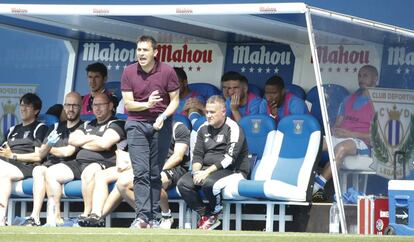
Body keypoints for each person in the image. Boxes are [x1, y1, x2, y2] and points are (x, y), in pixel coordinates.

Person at [121, 35, 180, 228]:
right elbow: (128, 104)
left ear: (155, 52)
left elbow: (175, 101)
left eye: (145, 50)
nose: (141, 54)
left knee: (155, 173)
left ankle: (154, 217)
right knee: (141, 172)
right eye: (138, 50)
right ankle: (142, 217)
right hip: (136, 124)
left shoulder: (167, 71)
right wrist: (147, 104)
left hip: (160, 125)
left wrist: (162, 117)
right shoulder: (129, 71)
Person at [45, 93, 125, 225]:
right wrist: (96, 140)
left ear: (110, 106)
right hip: (78, 162)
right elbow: (72, 139)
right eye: (95, 105)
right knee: (51, 172)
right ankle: (55, 217)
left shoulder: (117, 123)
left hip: (102, 163)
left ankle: (86, 214)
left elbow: (105, 144)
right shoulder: (88, 124)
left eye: (101, 105)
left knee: (89, 171)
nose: (97, 108)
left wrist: (84, 141)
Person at [177, 95, 250, 230]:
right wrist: (197, 172)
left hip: (233, 170)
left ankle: (216, 211)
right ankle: (206, 215)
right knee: (183, 184)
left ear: (223, 112)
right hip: (206, 169)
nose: (208, 115)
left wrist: (206, 173)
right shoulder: (203, 128)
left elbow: (229, 158)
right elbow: (197, 155)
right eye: (207, 112)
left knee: (210, 182)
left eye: (212, 112)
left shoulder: (234, 128)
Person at [312, 65, 378, 202]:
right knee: (315, 143)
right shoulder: (348, 99)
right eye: (360, 75)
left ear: (375, 79)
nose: (361, 78)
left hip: (362, 143)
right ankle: (307, 180)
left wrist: (350, 133)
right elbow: (337, 123)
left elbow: (376, 138)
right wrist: (334, 130)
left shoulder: (380, 103)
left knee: (341, 148)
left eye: (366, 75)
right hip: (341, 136)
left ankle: (317, 186)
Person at [20, 92, 83, 226]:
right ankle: (34, 217)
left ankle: (56, 216)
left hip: (69, 166)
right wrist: (47, 147)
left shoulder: (83, 127)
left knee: (49, 172)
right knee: (38, 170)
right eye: (67, 105)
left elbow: (68, 151)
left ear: (81, 107)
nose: (70, 109)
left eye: (74, 105)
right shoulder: (55, 126)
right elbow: (42, 153)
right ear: (64, 106)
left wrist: (48, 147)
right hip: (51, 164)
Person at [0, 93, 48, 226]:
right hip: (7, 166)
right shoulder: (12, 129)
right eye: (21, 105)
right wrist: (7, 155)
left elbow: (39, 156)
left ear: (36, 110)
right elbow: (3, 150)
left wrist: (13, 156)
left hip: (27, 166)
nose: (23, 108)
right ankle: (1, 220)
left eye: (27, 105)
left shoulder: (40, 128)